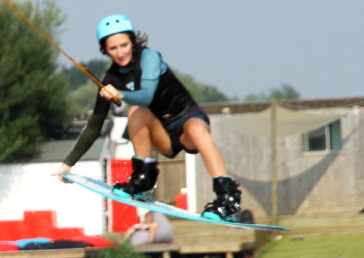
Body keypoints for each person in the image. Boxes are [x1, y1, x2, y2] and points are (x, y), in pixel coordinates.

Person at [55, 14, 242, 221]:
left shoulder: (149, 57)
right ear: (104, 51)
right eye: (113, 48)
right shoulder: (111, 79)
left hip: (187, 121)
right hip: (162, 134)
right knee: (136, 113)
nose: (120, 53)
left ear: (133, 42)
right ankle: (144, 181)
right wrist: (68, 163)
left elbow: (147, 96)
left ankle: (228, 197)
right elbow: (94, 126)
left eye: (124, 45)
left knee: (191, 126)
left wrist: (120, 94)